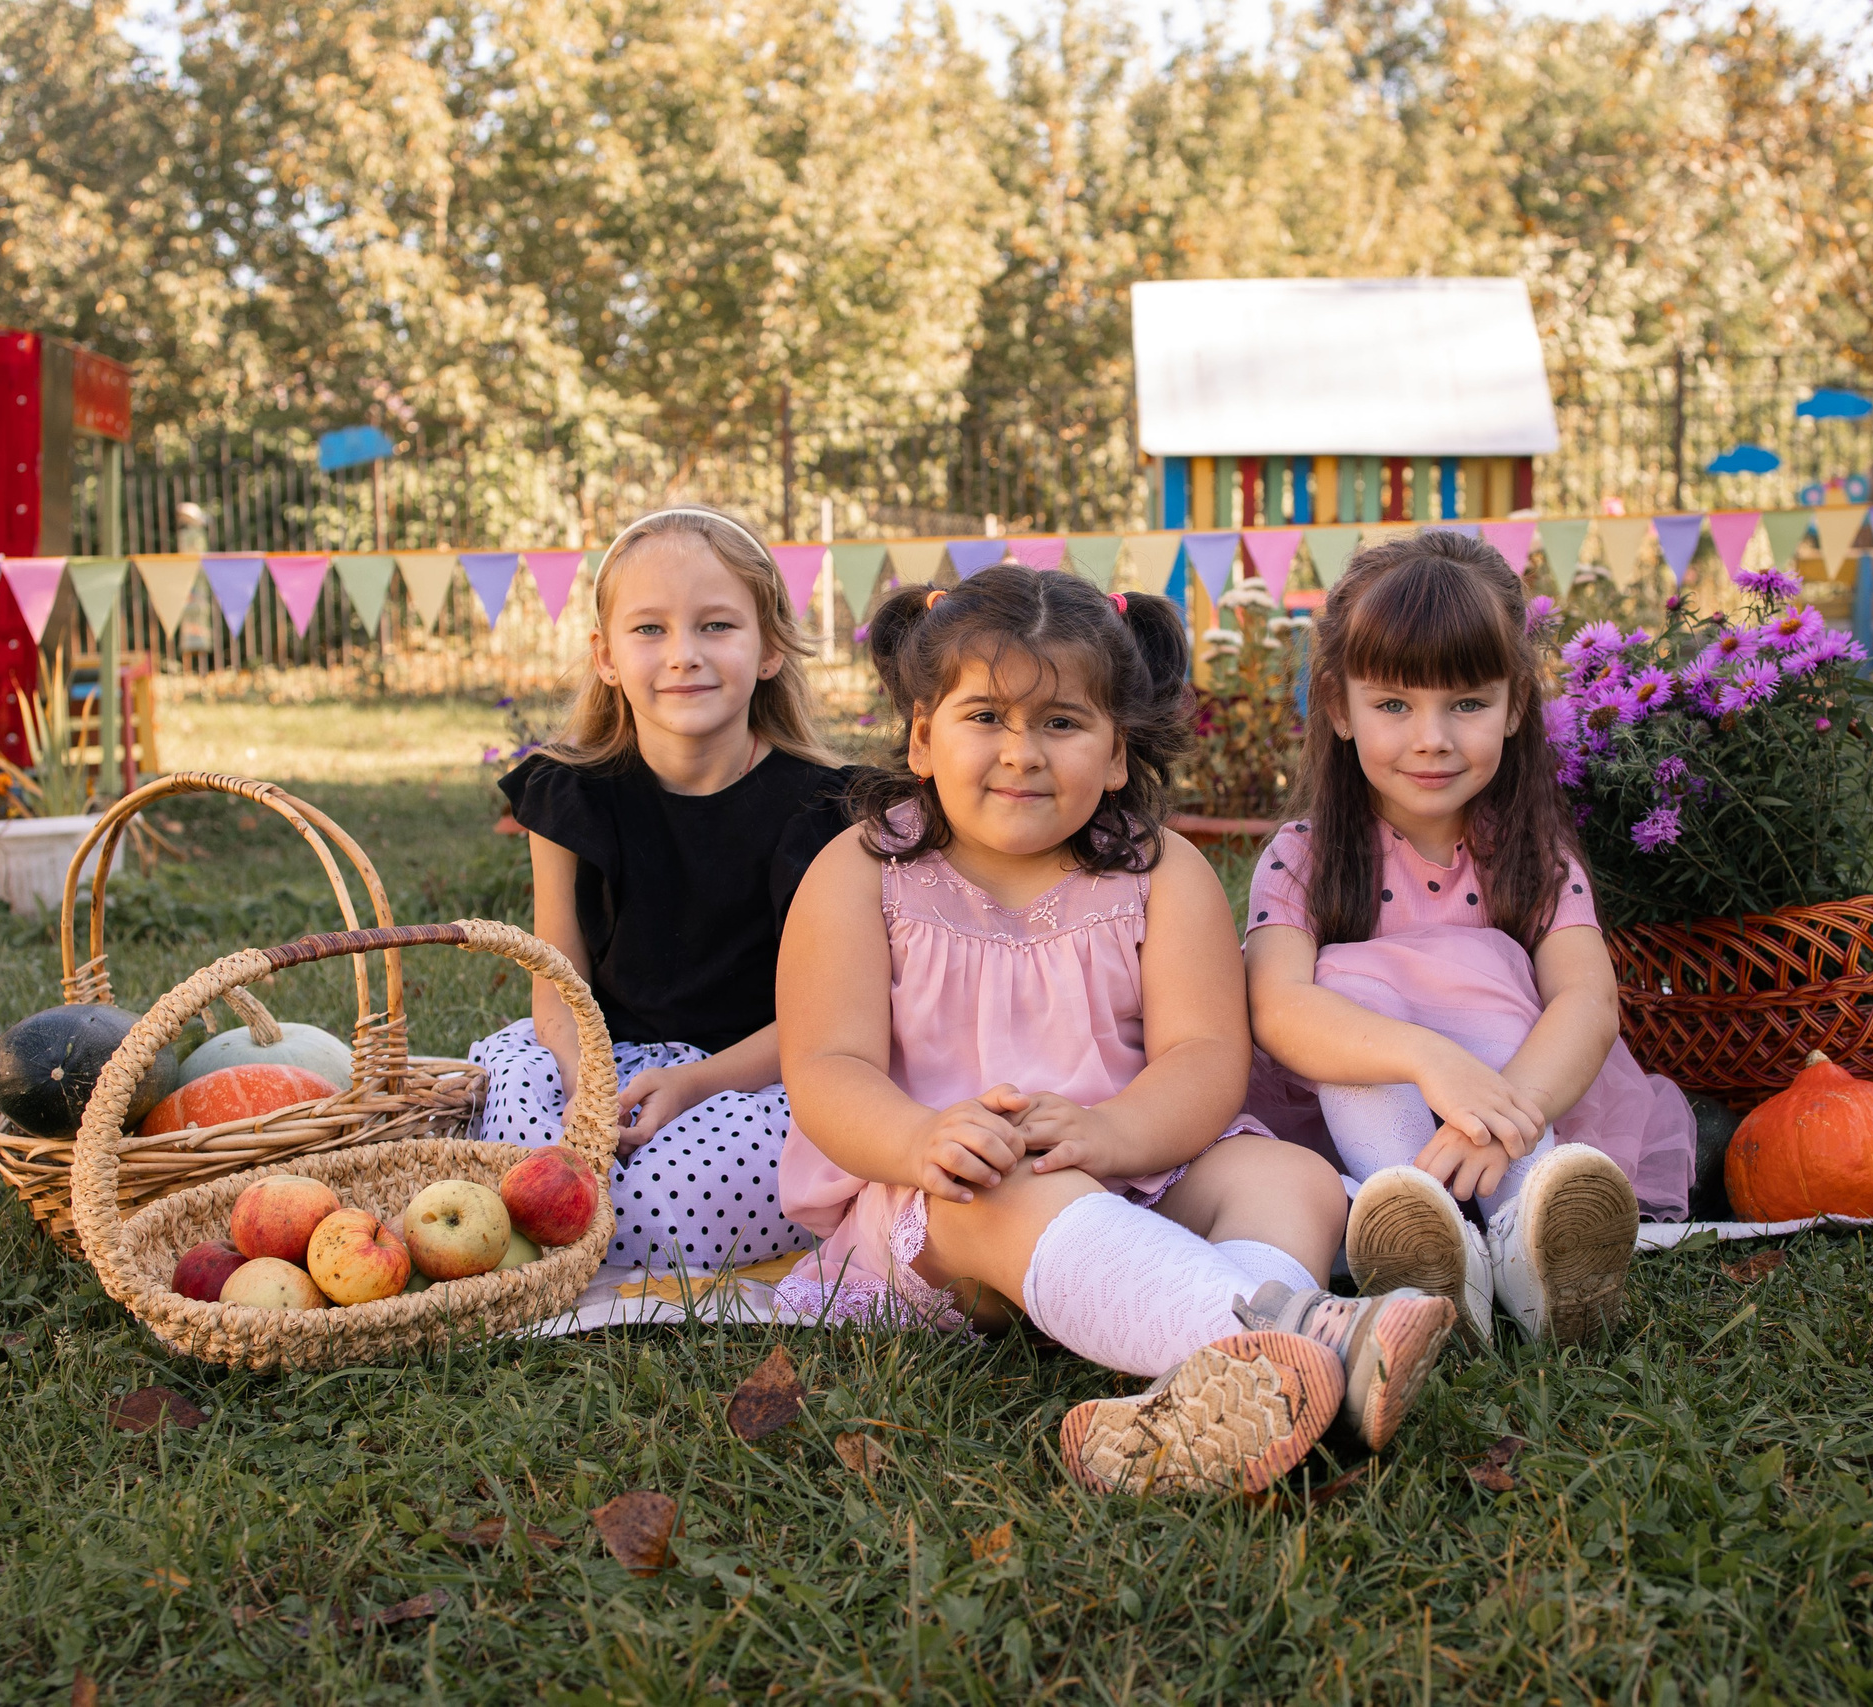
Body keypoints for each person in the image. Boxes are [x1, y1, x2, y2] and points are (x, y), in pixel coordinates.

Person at [775, 566, 1458, 1495]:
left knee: (1289, 1176)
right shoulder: (865, 871)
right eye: (985, 717)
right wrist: (920, 1137)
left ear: (1119, 753)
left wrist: (1113, 1134)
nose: (1022, 753)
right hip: (946, 1211)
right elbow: (824, 1066)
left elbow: (1205, 1055)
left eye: (1061, 722)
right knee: (1003, 1186)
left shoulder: (1160, 872)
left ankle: (1206, 1393)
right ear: (923, 737)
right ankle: (1301, 1338)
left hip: (1136, 1164)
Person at [1244, 533, 1694, 1349]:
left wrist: (1505, 1114)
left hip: (1520, 1103)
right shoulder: (1303, 855)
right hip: (1369, 1115)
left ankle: (1533, 1235)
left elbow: (1587, 1001)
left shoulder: (1530, 855)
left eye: (1467, 703)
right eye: (1393, 705)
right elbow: (1278, 1007)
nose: (1432, 738)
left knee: (1490, 966)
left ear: (1516, 704)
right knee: (1340, 981)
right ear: (1338, 708)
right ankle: (1423, 1227)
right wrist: (1427, 1059)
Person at [471, 507, 849, 1277]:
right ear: (605, 656)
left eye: (716, 626)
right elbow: (556, 984)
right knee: (511, 1123)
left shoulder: (824, 812)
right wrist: (590, 1087)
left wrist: (694, 1082)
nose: (684, 655)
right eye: (650, 630)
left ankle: (617, 1242)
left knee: (678, 1184)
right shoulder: (568, 792)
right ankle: (561, 1224)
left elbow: (827, 1018)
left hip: (760, 1073)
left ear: (770, 647)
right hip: (604, 1053)